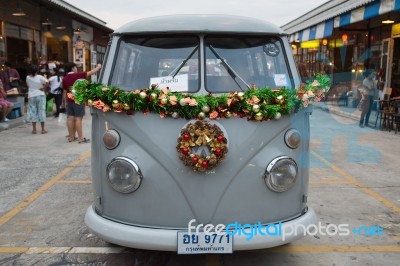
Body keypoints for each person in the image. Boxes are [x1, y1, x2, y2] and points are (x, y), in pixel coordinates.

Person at [61, 62, 102, 143]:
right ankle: (80, 138)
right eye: (75, 67)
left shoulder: (65, 78)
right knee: (78, 119)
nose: (76, 69)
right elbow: (92, 72)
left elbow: (64, 92)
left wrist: (64, 102)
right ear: (73, 68)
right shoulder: (78, 75)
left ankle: (71, 137)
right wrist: (98, 67)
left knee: (70, 118)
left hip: (69, 101)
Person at [26, 64, 49, 134]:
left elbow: (28, 85)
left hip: (31, 95)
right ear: (37, 71)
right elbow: (47, 82)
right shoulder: (40, 77)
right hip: (40, 94)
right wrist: (44, 88)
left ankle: (34, 129)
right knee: (41, 111)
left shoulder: (28, 77)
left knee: (33, 111)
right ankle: (43, 129)